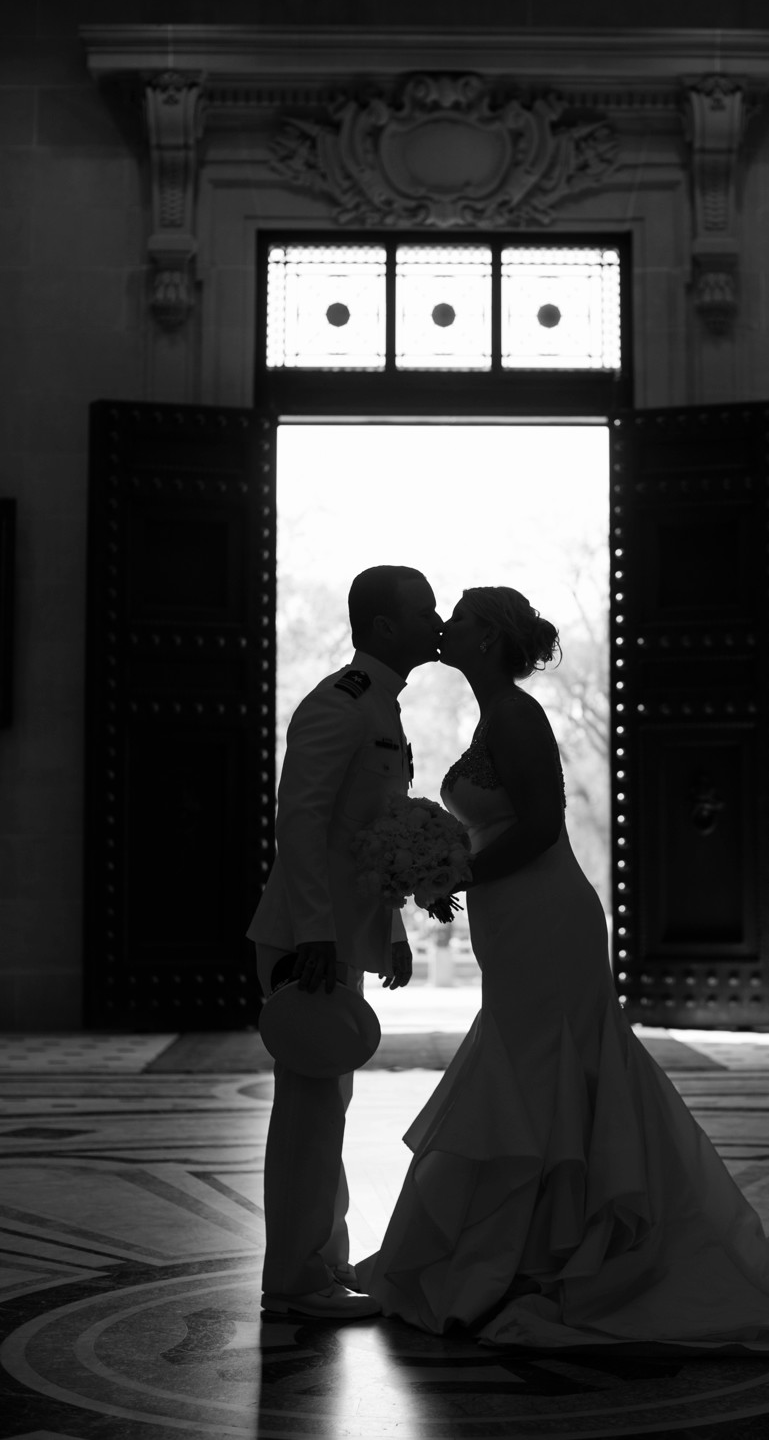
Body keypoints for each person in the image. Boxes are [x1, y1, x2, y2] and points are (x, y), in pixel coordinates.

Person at [358, 585, 769, 1354]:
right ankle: (531, 1251)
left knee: (548, 1061)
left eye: (464, 617)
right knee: (531, 1063)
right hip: (513, 920)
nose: (448, 625)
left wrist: (456, 872)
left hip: (545, 915)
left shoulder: (516, 715)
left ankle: (548, 1256)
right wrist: (448, 862)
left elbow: (540, 828)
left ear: (490, 639)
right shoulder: (490, 715)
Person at [248, 564, 443, 1320]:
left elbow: (369, 840)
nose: (435, 619)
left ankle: (320, 1260)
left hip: (334, 939)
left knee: (327, 1105)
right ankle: (294, 1280)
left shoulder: (381, 708)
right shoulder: (342, 704)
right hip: (308, 943)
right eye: (424, 608)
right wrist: (318, 935)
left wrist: (387, 928)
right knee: (308, 1113)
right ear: (387, 627)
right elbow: (299, 821)